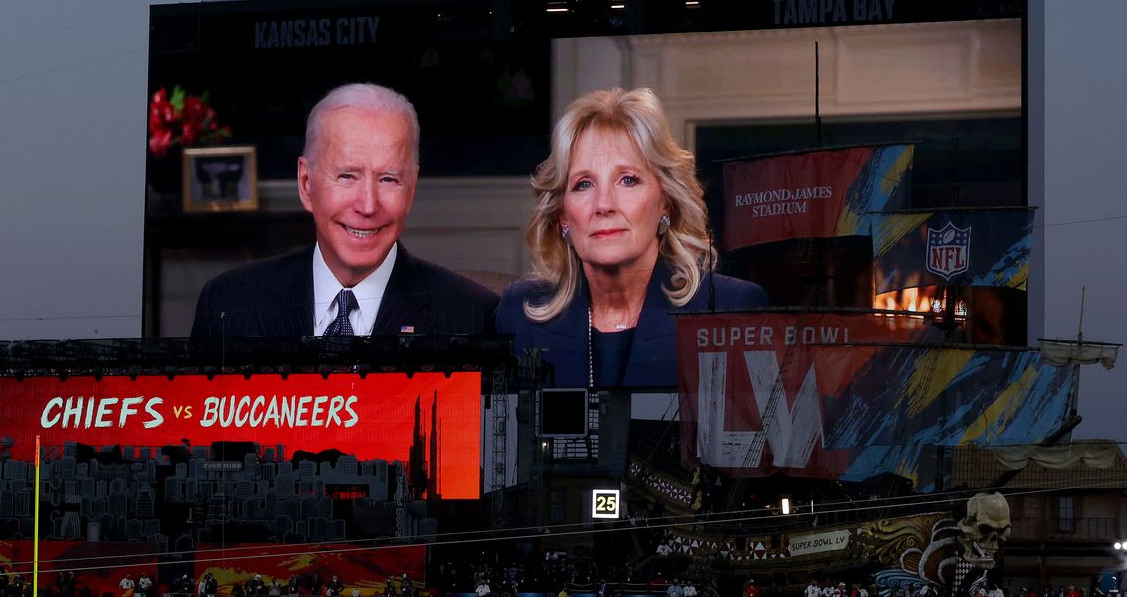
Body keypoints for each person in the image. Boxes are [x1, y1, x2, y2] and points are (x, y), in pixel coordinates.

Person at [496, 87, 766, 388]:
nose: (604, 205)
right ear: (562, 216)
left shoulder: (730, 310)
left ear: (666, 201)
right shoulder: (519, 316)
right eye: (583, 184)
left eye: (628, 180)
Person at [191, 82, 498, 338]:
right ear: (306, 183)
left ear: (412, 188)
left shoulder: (473, 316)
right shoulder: (227, 306)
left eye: (388, 179)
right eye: (347, 176)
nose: (367, 205)